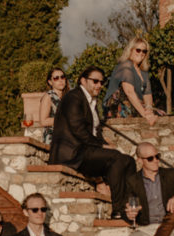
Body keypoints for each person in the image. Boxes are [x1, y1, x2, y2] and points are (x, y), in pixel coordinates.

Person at [48, 66, 136, 218]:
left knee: (128, 161)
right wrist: (102, 145)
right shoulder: (73, 97)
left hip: (86, 151)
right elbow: (78, 129)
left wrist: (105, 144)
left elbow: (96, 131)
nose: (99, 85)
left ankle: (129, 208)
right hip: (73, 154)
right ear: (83, 80)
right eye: (95, 81)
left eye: (102, 82)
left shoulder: (91, 101)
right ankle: (119, 209)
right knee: (116, 158)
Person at [38, 67, 68, 145]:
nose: (60, 80)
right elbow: (43, 121)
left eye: (62, 77)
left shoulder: (68, 97)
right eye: (56, 78)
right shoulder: (48, 97)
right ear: (50, 82)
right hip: (53, 138)